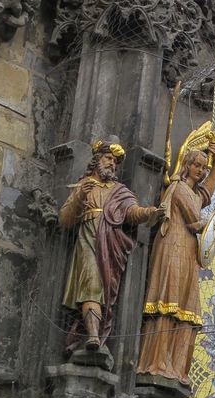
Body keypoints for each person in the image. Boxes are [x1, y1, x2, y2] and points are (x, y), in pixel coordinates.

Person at [137, 122, 215, 387]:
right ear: (186, 164)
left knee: (186, 307)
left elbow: (205, 194)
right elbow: (196, 219)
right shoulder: (180, 189)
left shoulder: (193, 192)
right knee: (170, 301)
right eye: (198, 165)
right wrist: (213, 225)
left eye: (204, 168)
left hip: (186, 251)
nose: (201, 171)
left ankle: (175, 365)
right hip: (174, 247)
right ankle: (158, 362)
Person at [59, 140, 162, 354]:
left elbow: (132, 212)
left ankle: (95, 334)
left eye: (115, 162)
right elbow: (65, 220)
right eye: (109, 159)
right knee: (91, 286)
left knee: (104, 291)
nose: (112, 165)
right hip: (87, 242)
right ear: (97, 160)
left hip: (110, 248)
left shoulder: (120, 191)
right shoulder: (84, 185)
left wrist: (149, 213)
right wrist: (80, 196)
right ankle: (93, 337)